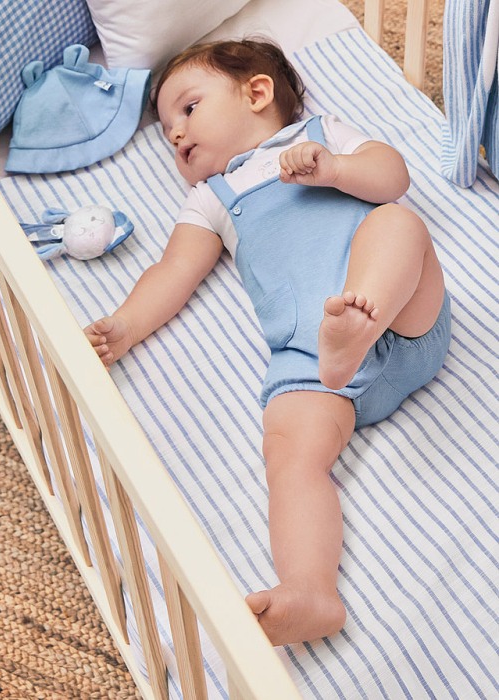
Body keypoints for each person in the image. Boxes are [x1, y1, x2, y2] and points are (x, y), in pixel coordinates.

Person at [84, 39, 451, 646]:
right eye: (168, 133)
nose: (176, 134)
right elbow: (172, 272)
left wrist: (334, 170)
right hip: (313, 364)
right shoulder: (211, 197)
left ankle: (358, 322)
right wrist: (122, 326)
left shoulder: (321, 134)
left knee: (397, 224)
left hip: (400, 315)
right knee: (289, 459)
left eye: (188, 109)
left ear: (257, 93)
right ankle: (309, 589)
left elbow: (394, 178)